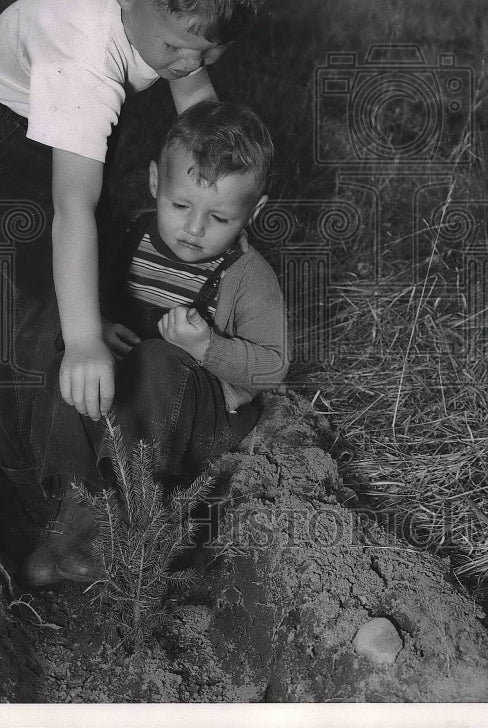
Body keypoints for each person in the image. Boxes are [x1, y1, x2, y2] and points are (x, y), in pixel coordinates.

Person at [0, 0, 269, 514]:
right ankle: (37, 475)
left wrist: (229, 190)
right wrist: (84, 340)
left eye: (211, 46)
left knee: (90, 243)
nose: (192, 61)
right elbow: (72, 209)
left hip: (56, 111)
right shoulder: (83, 61)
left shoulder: (163, 21)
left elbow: (199, 111)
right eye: (178, 47)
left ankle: (90, 339)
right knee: (28, 291)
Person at [23, 100, 290, 585]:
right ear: (154, 183)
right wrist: (96, 324)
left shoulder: (249, 277)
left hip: (194, 422)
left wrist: (207, 347)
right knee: (72, 363)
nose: (194, 229)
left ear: (254, 212)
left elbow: (272, 368)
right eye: (181, 205)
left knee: (159, 359)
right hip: (122, 395)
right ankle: (69, 518)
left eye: (220, 218)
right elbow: (85, 293)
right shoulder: (130, 238)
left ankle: (123, 523)